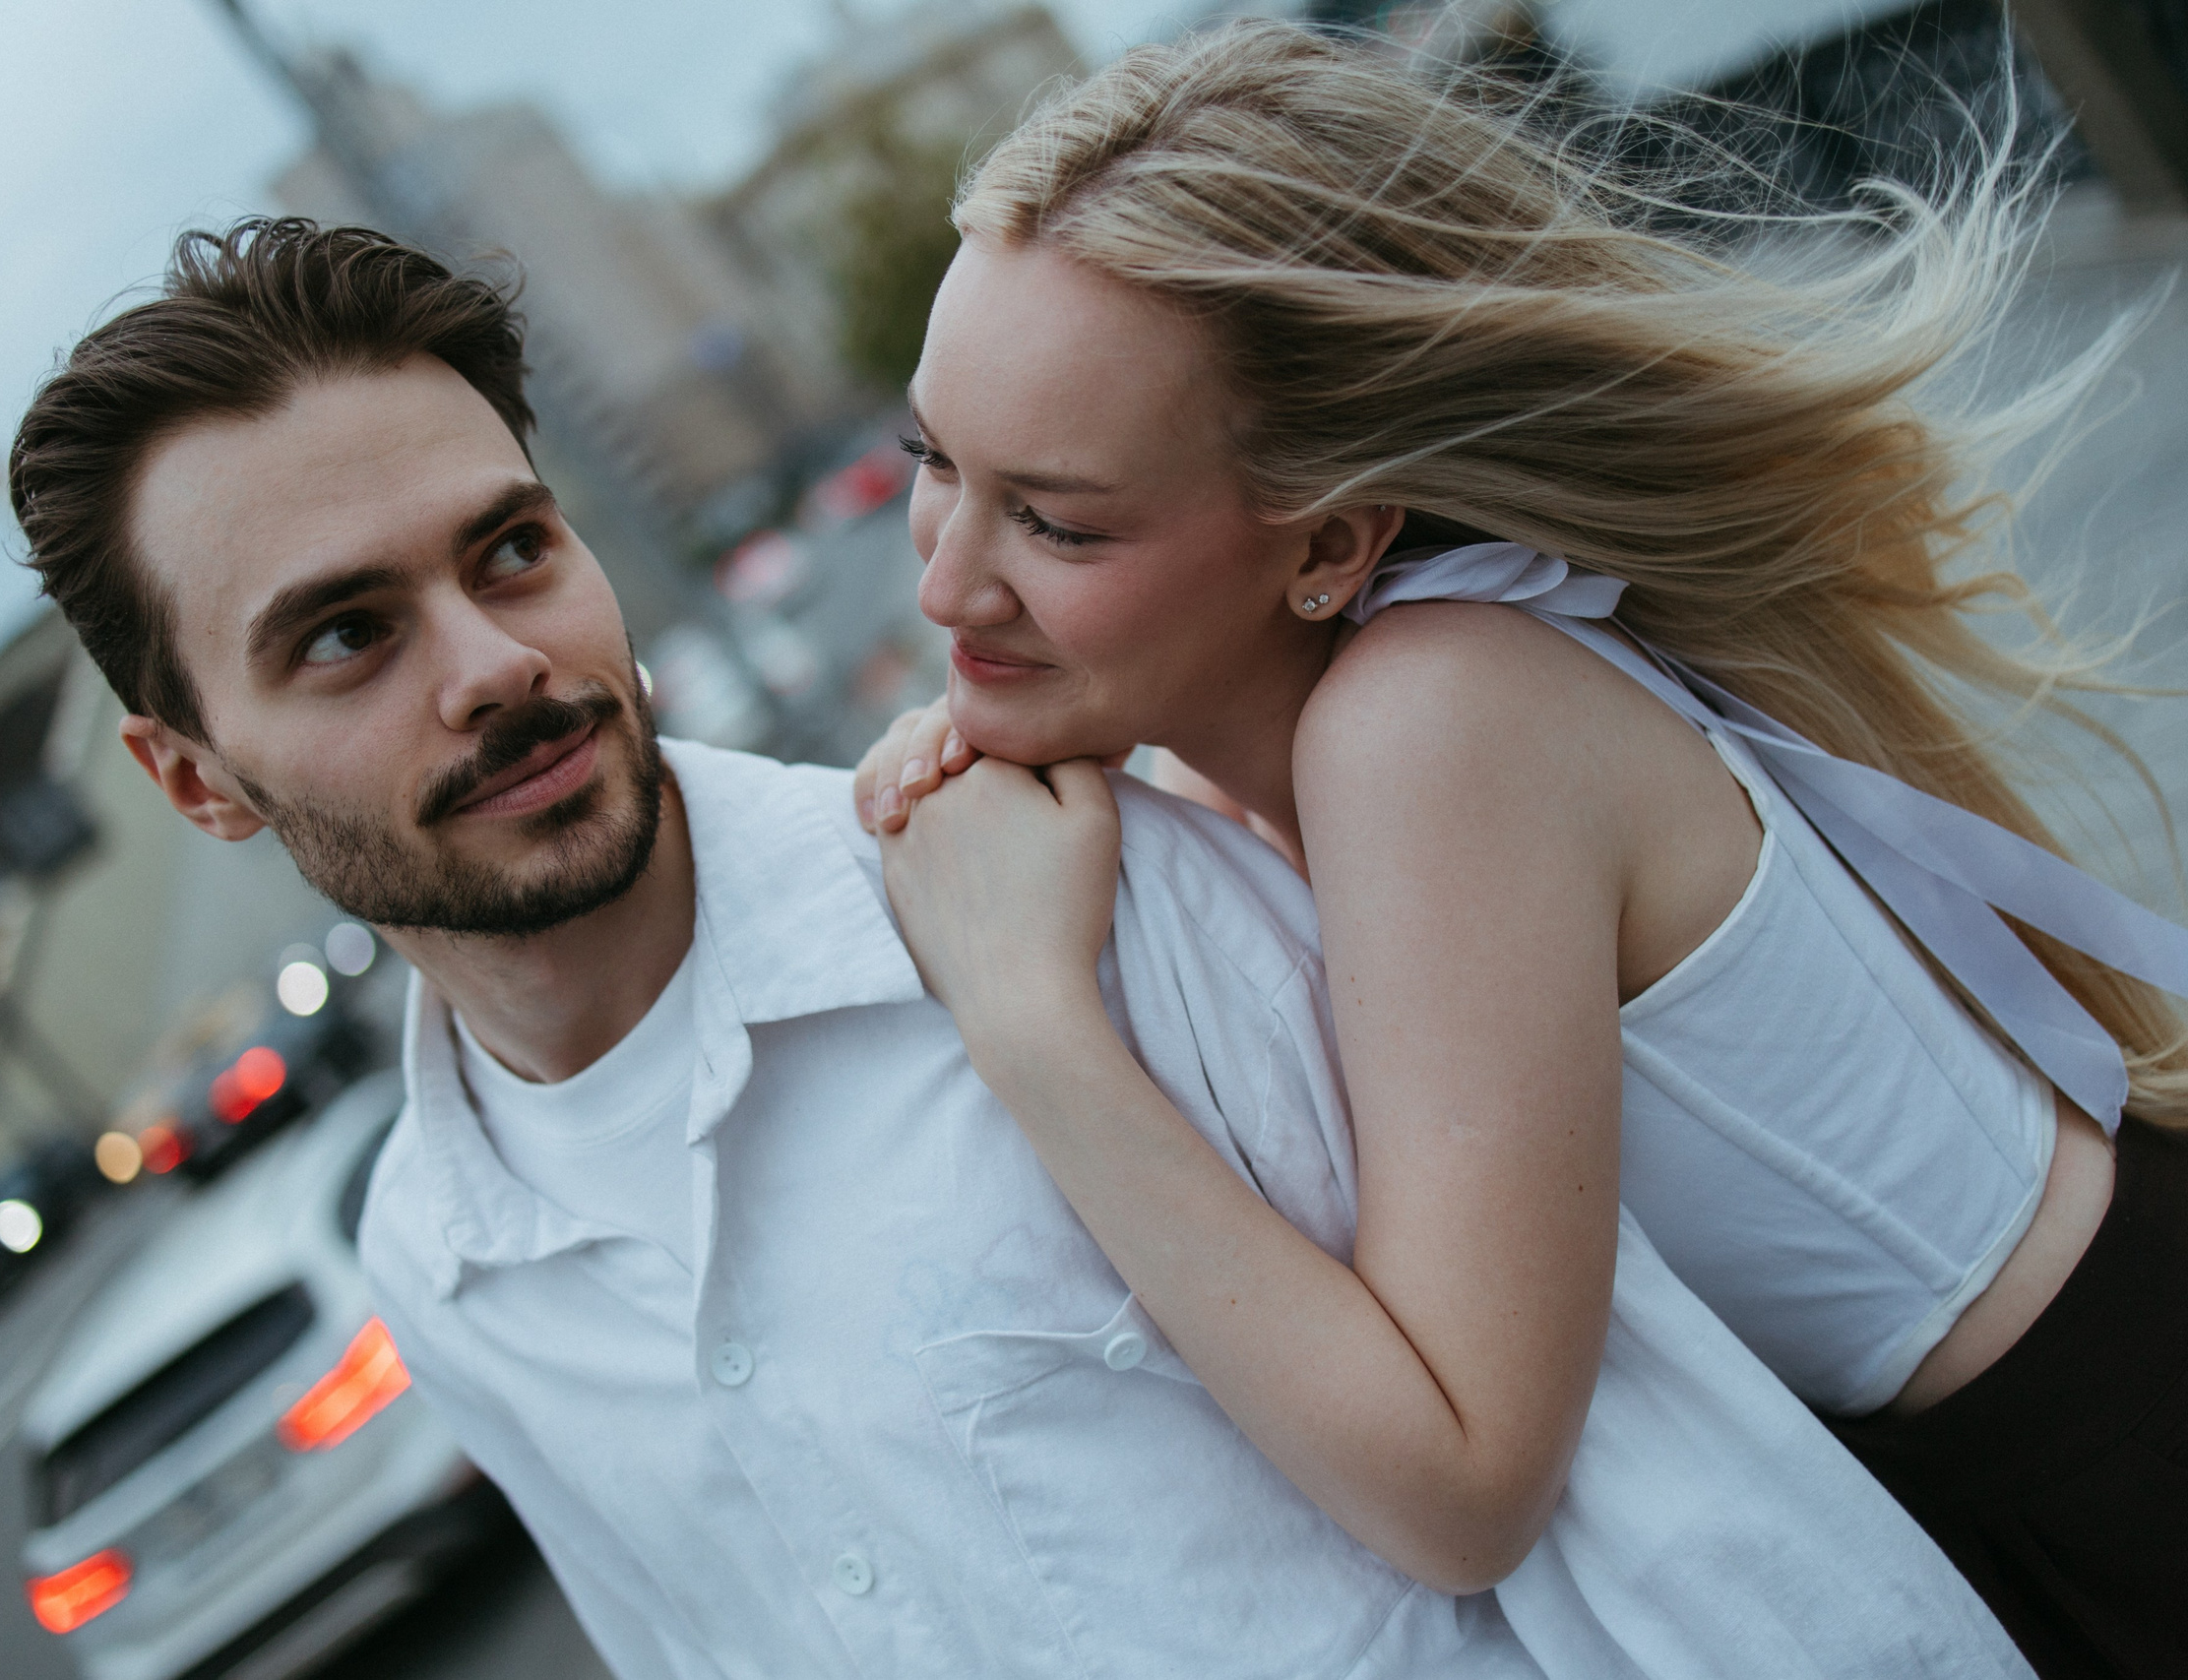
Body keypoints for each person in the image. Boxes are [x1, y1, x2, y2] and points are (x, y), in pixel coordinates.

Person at [2, 218, 2029, 1679]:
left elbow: (1654, 1497)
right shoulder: (443, 1269)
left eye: (510, 548)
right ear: (195, 776)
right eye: (346, 633)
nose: (497, 665)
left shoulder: (1093, 902)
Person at [853, 21, 2188, 1679]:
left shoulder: (1431, 722)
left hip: (2113, 1459)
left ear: (1334, 543)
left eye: (1055, 519)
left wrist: (1028, 1019)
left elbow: (1466, 1482)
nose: (941, 582)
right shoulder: (1348, 733)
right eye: (932, 464)